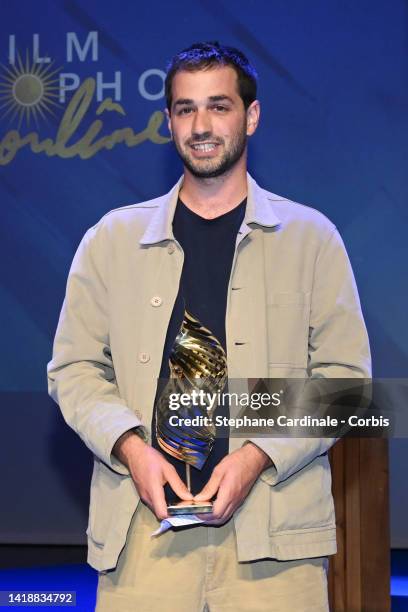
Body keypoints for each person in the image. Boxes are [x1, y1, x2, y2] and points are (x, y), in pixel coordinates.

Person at [47, 42, 371, 612]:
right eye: (185, 108)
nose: (200, 126)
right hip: (141, 542)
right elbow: (73, 369)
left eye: (218, 107)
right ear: (169, 120)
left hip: (275, 549)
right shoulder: (110, 241)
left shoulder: (311, 239)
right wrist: (129, 448)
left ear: (251, 116)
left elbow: (346, 384)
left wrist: (256, 457)